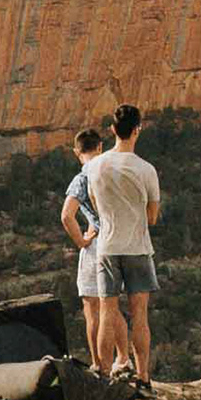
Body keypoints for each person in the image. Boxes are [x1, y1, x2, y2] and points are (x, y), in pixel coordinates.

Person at [80, 102, 161, 387]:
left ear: (112, 130)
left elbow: (94, 203)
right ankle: (143, 377)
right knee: (139, 315)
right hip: (137, 247)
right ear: (138, 130)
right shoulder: (146, 170)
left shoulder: (94, 167)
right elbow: (152, 217)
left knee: (107, 312)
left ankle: (103, 375)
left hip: (107, 247)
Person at [61, 123, 119, 376]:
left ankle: (99, 366)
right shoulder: (113, 171)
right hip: (119, 241)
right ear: (100, 147)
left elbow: (66, 216)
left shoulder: (82, 177)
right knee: (113, 306)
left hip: (97, 245)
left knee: (92, 307)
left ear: (77, 152)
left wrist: (82, 241)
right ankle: (122, 360)